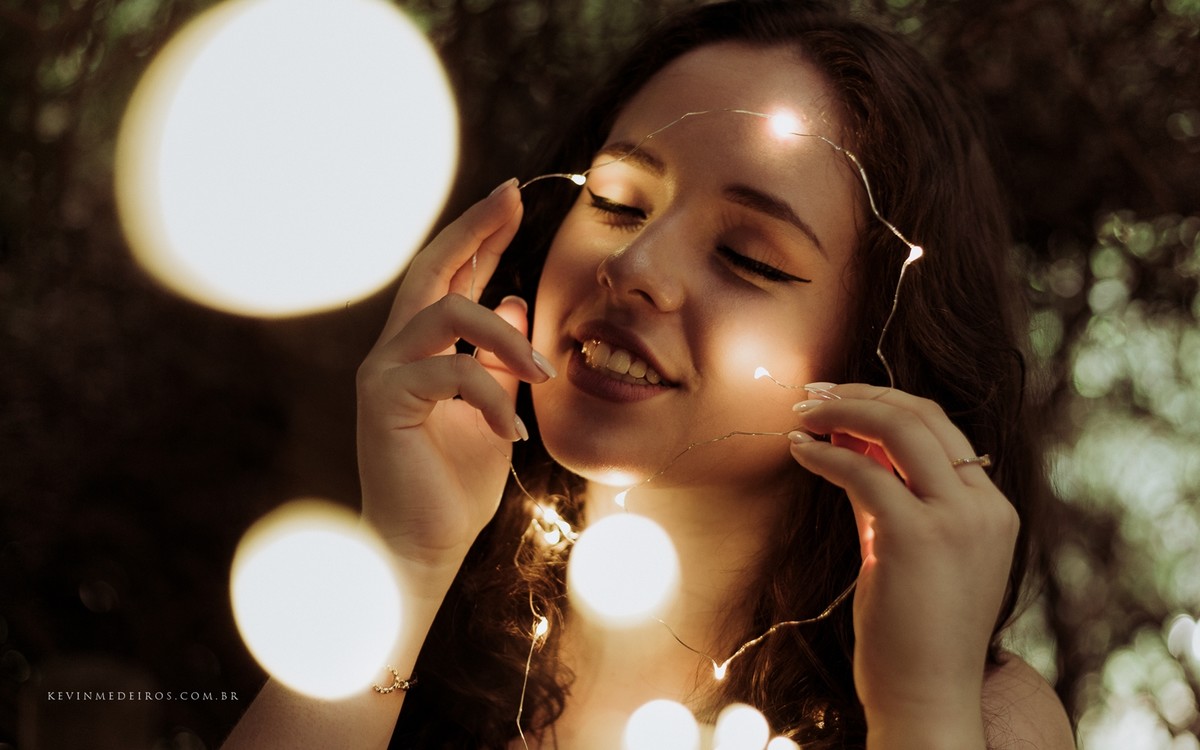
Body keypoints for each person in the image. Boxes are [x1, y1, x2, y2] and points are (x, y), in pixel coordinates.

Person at [223, 1, 1075, 748]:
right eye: (618, 201)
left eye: (748, 257)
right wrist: (406, 560)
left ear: (878, 351)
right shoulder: (418, 650)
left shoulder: (985, 718)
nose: (635, 264)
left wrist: (919, 714)